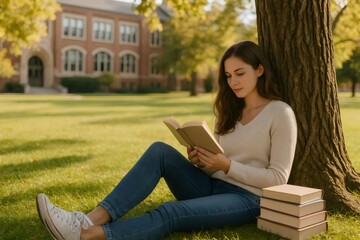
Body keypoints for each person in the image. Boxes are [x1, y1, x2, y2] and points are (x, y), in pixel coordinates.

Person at [36, 41, 297, 240]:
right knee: (160, 151)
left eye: (240, 73)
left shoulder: (280, 113)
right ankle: (87, 220)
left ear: (259, 70)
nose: (233, 82)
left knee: (172, 211)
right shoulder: (229, 111)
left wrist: (226, 165)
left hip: (247, 198)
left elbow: (278, 178)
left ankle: (87, 236)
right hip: (211, 185)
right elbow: (216, 165)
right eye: (228, 76)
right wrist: (201, 161)